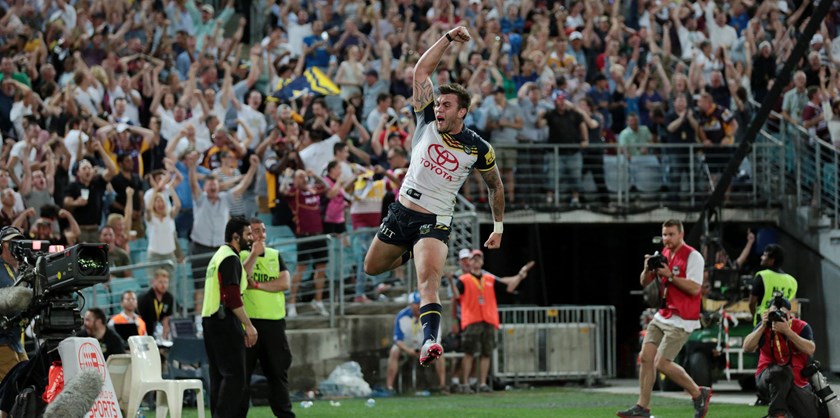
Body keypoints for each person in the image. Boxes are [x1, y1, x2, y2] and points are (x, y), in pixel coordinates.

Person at [363, 26, 505, 368]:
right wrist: (447, 38)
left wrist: (498, 226)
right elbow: (420, 72)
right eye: (437, 103)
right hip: (400, 212)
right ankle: (414, 250)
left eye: (446, 105)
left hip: (435, 220)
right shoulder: (425, 120)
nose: (438, 109)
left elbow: (495, 186)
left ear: (462, 112)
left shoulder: (479, 148)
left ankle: (430, 340)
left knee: (428, 281)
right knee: (372, 268)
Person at [618, 219, 711, 418]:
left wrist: (669, 276)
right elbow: (645, 282)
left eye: (671, 234)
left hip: (683, 317)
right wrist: (646, 268)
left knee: (661, 363)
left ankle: (698, 393)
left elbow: (695, 289)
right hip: (664, 314)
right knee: (645, 357)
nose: (666, 239)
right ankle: (642, 407)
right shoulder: (663, 254)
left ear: (681, 234)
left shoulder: (693, 256)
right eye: (664, 234)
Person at [201, 216, 258, 418]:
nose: (251, 238)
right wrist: (248, 326)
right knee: (235, 378)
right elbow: (232, 297)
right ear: (236, 237)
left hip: (210, 321)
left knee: (219, 377)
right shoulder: (230, 259)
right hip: (224, 321)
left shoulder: (218, 256)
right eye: (248, 234)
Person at [239, 218, 295, 418]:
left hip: (274, 323)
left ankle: (285, 414)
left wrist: (258, 286)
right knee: (242, 375)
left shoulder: (275, 255)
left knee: (278, 373)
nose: (261, 234)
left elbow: (284, 282)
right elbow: (241, 278)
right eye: (255, 231)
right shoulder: (243, 255)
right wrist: (254, 254)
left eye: (262, 230)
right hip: (250, 324)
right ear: (248, 235)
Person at [454, 250, 530, 393]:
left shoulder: (489, 279)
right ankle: (465, 384)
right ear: (469, 262)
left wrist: (520, 276)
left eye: (479, 258)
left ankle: (482, 384)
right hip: (471, 319)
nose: (476, 261)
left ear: (482, 262)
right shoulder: (463, 279)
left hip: (488, 318)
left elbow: (509, 286)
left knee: (486, 353)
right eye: (473, 259)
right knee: (469, 352)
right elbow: (456, 296)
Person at [743, 296, 820, 418]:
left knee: (811, 414)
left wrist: (787, 332)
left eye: (781, 313)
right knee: (782, 372)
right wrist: (763, 325)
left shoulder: (801, 326)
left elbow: (810, 349)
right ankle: (777, 415)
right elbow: (747, 347)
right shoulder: (764, 327)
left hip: (797, 382)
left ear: (789, 314)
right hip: (769, 377)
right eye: (774, 313)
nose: (777, 317)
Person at [385, 292, 446, 393]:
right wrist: (408, 350)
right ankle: (389, 387)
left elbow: (436, 338)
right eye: (416, 303)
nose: (419, 306)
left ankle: (442, 386)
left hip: (426, 346)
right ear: (410, 305)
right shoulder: (402, 316)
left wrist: (425, 350)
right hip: (407, 347)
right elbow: (397, 339)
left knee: (440, 350)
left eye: (421, 303)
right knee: (394, 350)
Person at [0, 227, 26, 380]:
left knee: (28, 378)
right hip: (2, 341)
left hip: (13, 340)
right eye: (11, 242)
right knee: (12, 386)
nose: (16, 245)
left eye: (18, 241)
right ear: (2, 245)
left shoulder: (16, 270)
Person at [750, 244, 798, 326]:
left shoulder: (762, 276)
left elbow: (751, 303)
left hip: (763, 323)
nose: (761, 257)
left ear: (772, 260)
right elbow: (791, 304)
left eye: (765, 255)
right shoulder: (792, 281)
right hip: (783, 324)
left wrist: (754, 317)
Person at [137, 269, 174, 342]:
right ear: (153, 282)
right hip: (146, 329)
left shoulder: (169, 297)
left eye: (166, 282)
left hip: (158, 330)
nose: (163, 285)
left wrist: (164, 337)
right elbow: (139, 319)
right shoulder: (145, 297)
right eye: (160, 282)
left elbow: (166, 318)